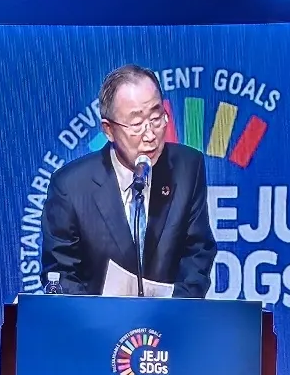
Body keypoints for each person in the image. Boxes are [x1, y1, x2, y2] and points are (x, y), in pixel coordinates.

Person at [42, 64, 215, 298]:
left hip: (172, 317)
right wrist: (104, 315)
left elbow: (198, 253)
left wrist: (173, 310)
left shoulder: (188, 167)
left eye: (156, 118)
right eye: (136, 124)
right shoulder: (70, 187)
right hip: (97, 320)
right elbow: (61, 274)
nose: (150, 135)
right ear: (108, 130)